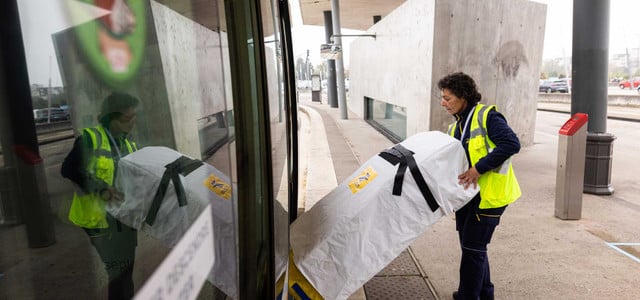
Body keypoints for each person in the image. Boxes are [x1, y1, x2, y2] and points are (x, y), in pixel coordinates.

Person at [437, 72, 521, 300]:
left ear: (464, 96)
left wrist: (477, 169)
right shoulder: (456, 127)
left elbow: (511, 144)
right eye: (442, 98)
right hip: (468, 198)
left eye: (447, 98)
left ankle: (468, 296)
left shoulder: (487, 117)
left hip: (489, 197)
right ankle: (484, 294)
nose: (443, 103)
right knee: (473, 248)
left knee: (473, 251)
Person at [61, 92, 140, 300]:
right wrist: (100, 188)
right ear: (110, 118)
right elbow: (69, 168)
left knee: (126, 268)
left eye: (134, 117)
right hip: (99, 220)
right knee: (119, 271)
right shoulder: (90, 139)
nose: (132, 122)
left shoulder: (128, 142)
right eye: (126, 118)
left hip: (122, 216)